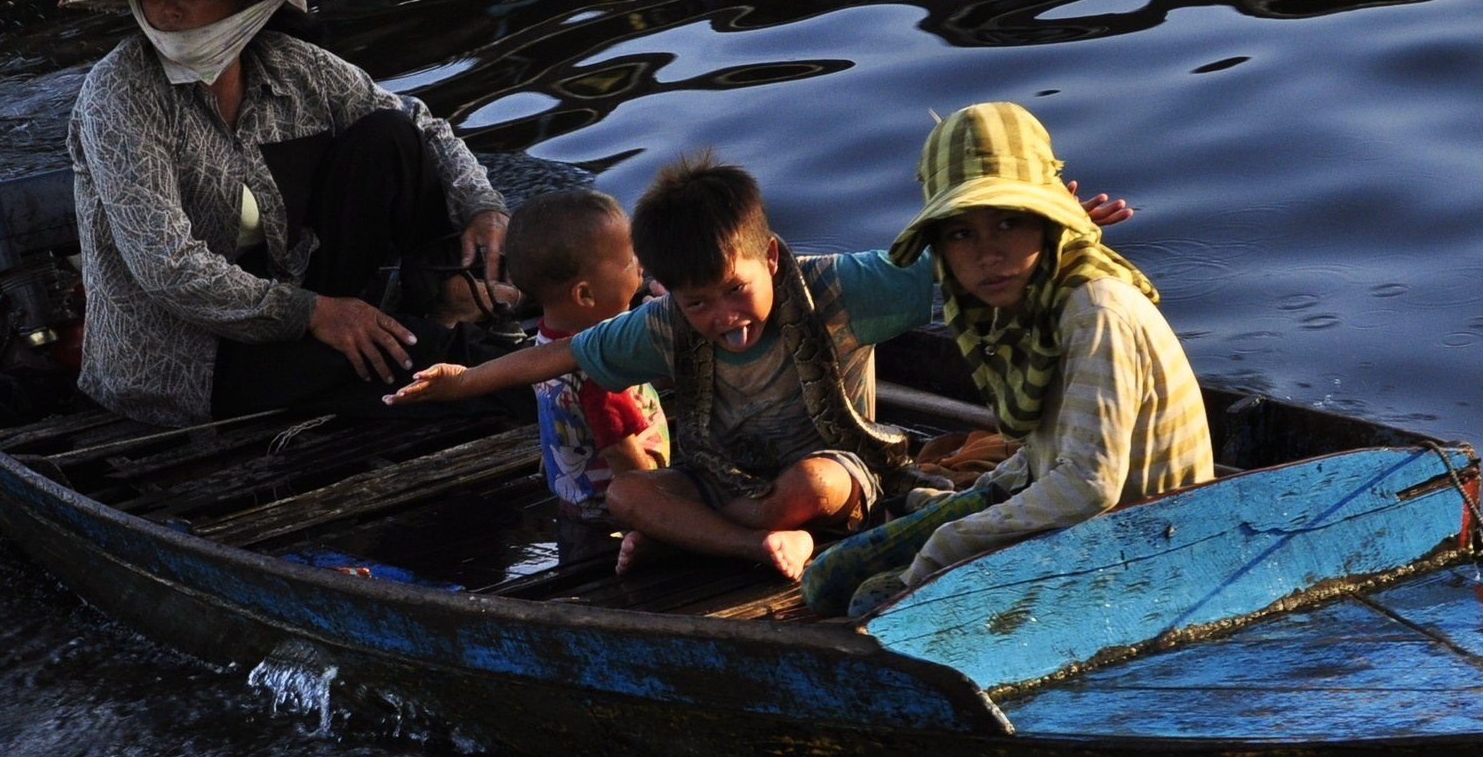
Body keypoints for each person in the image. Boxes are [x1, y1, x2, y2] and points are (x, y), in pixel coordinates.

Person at [388, 150, 1136, 580]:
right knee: (627, 498)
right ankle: (752, 546)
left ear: (769, 257)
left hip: (839, 475)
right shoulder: (661, 325)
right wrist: (461, 384)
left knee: (811, 481)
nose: (722, 318)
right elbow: (560, 355)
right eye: (697, 303)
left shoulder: (844, 288)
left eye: (734, 291)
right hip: (726, 484)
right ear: (667, 291)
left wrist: (1057, 222)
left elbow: (952, 262)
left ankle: (719, 530)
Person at [63, 0, 513, 427]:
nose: (166, 7)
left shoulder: (291, 65)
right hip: (184, 357)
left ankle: (445, 293)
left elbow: (421, 124)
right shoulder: (120, 94)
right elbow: (167, 267)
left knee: (389, 135)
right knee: (418, 365)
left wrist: (482, 206)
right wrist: (315, 313)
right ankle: (542, 377)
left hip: (299, 298)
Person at [802, 102, 1214, 618]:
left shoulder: (1095, 310)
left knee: (874, 602)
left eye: (1007, 223)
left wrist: (950, 542)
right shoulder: (1020, 306)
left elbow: (1089, 484)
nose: (987, 254)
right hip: (1077, 515)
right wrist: (978, 497)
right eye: (961, 233)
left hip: (1145, 544)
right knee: (826, 579)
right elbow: (1048, 451)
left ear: (1046, 222)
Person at [500, 188, 669, 520]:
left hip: (577, 499)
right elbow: (623, 455)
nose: (641, 266)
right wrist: (659, 505)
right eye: (629, 260)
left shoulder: (546, 343)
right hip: (617, 513)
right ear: (585, 294)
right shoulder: (600, 367)